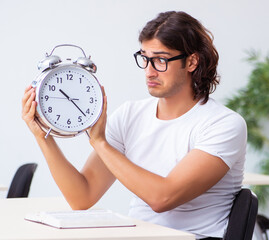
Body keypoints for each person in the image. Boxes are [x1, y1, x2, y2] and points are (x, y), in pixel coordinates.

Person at [22, 11, 247, 240]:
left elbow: (163, 198)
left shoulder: (224, 124)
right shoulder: (130, 115)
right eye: (145, 58)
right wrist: (43, 136)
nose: (149, 71)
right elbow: (82, 197)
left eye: (160, 60)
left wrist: (99, 142)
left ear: (191, 62)